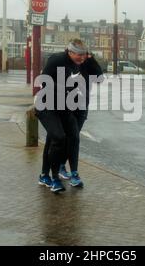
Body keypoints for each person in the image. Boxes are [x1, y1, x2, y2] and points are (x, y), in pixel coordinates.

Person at [35, 39, 103, 193]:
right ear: (70, 52)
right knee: (56, 138)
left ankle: (68, 173)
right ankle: (50, 177)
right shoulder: (57, 60)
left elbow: (98, 77)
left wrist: (91, 60)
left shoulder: (82, 62)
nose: (81, 58)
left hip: (70, 106)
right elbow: (44, 82)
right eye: (78, 55)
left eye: (84, 54)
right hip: (50, 105)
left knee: (72, 137)